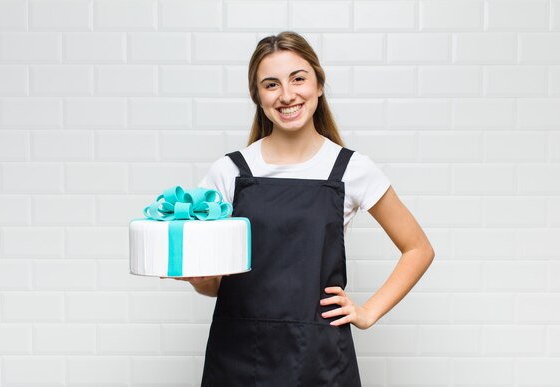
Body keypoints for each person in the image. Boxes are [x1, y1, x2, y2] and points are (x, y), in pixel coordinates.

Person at [172, 31, 435, 386]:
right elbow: (216, 285)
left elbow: (418, 248)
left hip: (320, 357)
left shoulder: (351, 170)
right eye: (271, 84)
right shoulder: (229, 172)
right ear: (258, 97)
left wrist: (368, 312)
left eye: (298, 79)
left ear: (319, 84)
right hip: (238, 357)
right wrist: (199, 279)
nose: (287, 95)